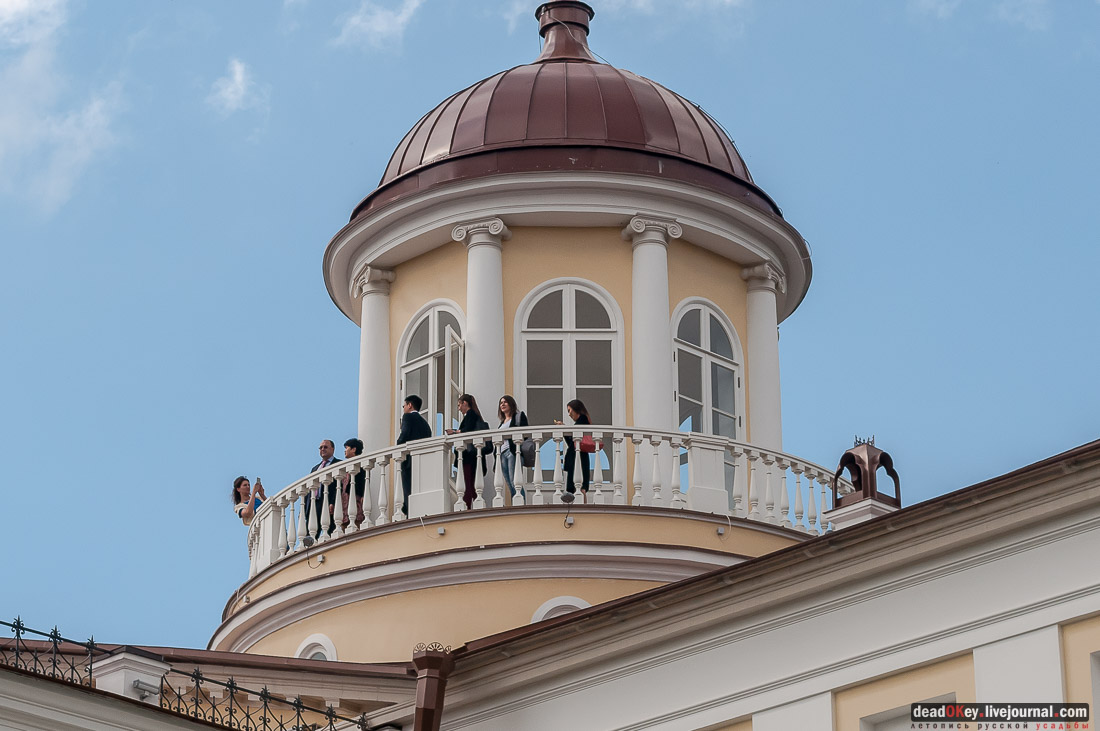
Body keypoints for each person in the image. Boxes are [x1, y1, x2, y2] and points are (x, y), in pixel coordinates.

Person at [446, 394, 489, 509]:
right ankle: (472, 505)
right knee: (472, 482)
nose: (459, 408)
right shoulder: (475, 415)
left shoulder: (470, 414)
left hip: (469, 456)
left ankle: (468, 507)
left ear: (465, 403)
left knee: (468, 483)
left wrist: (454, 432)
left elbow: (467, 431)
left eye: (459, 405)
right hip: (474, 456)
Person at [396, 395, 432, 517]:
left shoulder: (407, 417)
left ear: (410, 405)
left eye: (404, 406)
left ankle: (410, 513)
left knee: (408, 489)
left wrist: (398, 444)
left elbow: (404, 435)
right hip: (424, 461)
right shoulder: (425, 424)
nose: (404, 408)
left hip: (409, 460)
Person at [497, 395, 529, 500]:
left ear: (511, 404)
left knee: (515, 482)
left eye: (505, 402)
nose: (503, 404)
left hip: (513, 452)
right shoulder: (502, 423)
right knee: (509, 485)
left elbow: (526, 433)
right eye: (501, 403)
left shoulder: (518, 416)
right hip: (502, 453)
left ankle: (521, 504)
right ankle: (515, 503)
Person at [306, 439, 342, 534]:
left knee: (330, 532)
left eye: (325, 447)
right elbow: (308, 489)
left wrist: (333, 502)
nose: (322, 449)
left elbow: (339, 485)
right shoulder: (315, 469)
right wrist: (305, 508)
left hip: (328, 502)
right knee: (310, 534)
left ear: (333, 449)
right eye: (321, 447)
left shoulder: (339, 464)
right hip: (314, 503)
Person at [558, 399, 592, 495]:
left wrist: (565, 429)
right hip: (578, 457)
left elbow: (574, 442)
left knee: (579, 487)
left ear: (576, 409)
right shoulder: (582, 421)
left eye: (569, 410)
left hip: (578, 458)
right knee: (579, 487)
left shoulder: (583, 420)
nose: (569, 414)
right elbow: (572, 443)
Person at [341, 438, 367, 528]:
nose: (345, 451)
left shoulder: (361, 464)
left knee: (356, 521)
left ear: (353, 449)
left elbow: (363, 480)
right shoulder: (345, 466)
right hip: (344, 500)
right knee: (343, 523)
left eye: (347, 448)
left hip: (354, 498)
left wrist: (363, 495)